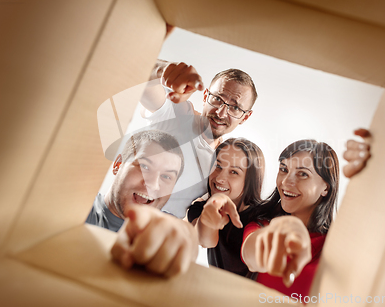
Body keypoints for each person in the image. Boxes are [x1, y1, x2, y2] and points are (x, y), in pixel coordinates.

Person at [140, 64, 258, 217]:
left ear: (245, 117)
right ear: (205, 97)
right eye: (217, 99)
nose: (221, 113)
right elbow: (141, 81)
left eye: (235, 108)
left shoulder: (222, 163)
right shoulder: (178, 115)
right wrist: (163, 70)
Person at [241, 139, 342, 298]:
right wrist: (273, 235)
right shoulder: (263, 224)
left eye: (303, 174)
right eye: (283, 169)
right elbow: (251, 256)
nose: (286, 181)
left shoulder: (336, 244)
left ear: (326, 187)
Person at [186, 138, 264, 276]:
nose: (220, 178)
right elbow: (205, 240)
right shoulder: (199, 208)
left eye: (234, 172)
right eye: (218, 166)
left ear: (249, 180)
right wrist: (215, 202)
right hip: (217, 291)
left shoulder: (264, 214)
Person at [86, 129, 185, 232]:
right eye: (144, 166)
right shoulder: (81, 208)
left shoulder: (169, 229)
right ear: (118, 165)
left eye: (166, 177)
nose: (153, 184)